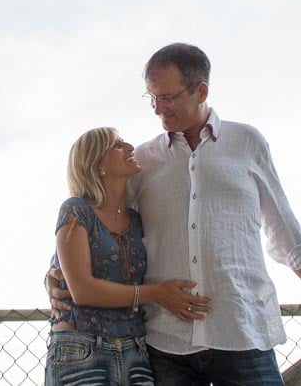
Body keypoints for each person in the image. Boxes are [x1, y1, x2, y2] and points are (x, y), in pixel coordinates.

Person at [50, 44, 301, 386]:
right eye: (152, 97)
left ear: (201, 90)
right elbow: (102, 224)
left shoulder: (247, 142)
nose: (158, 109)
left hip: (240, 329)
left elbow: (283, 225)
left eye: (168, 97)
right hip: (165, 341)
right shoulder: (143, 161)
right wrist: (57, 277)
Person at [46, 126, 211, 386]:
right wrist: (157, 293)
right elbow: (82, 291)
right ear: (96, 163)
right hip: (82, 348)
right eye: (117, 145)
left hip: (135, 350)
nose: (130, 147)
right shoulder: (76, 210)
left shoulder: (135, 219)